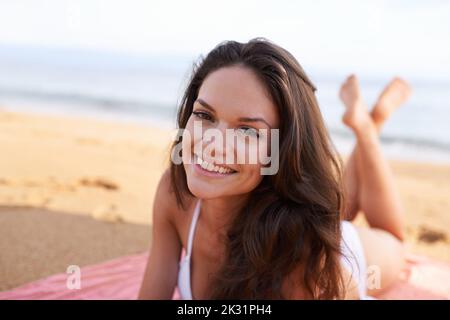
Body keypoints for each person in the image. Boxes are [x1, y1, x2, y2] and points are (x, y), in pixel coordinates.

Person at [138, 38, 411, 299]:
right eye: (204, 115)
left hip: (342, 247)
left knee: (394, 239)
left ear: (280, 150)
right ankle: (368, 124)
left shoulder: (305, 266)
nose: (212, 144)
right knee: (340, 207)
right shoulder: (174, 194)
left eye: (247, 131)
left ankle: (367, 128)